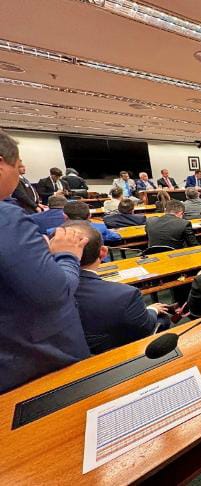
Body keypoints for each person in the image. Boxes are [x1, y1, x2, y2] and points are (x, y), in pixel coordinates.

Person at [0, 130, 90, 392]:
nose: (20, 175)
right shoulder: (6, 219)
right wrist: (66, 254)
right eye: (18, 166)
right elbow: (55, 292)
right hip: (32, 361)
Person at [65, 221, 170, 354]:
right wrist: (152, 309)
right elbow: (146, 327)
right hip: (117, 351)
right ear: (103, 252)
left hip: (72, 352)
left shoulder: (42, 291)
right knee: (163, 318)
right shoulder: (125, 294)